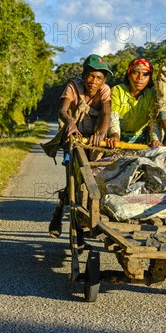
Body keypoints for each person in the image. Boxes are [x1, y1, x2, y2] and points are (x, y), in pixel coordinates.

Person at [44, 53, 113, 238]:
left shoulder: (105, 90)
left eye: (99, 77)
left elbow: (106, 114)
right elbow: (63, 110)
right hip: (74, 137)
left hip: (93, 140)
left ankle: (88, 218)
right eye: (91, 75)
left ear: (103, 80)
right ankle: (60, 213)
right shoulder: (73, 86)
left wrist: (101, 134)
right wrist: (70, 123)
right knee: (74, 180)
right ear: (84, 75)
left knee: (92, 179)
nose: (94, 81)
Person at [105, 58, 161, 148]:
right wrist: (115, 136)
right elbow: (113, 116)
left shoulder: (152, 94)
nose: (140, 78)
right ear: (129, 74)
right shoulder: (118, 90)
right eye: (136, 72)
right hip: (117, 138)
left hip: (141, 140)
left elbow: (154, 120)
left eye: (145, 74)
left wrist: (155, 140)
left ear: (150, 78)